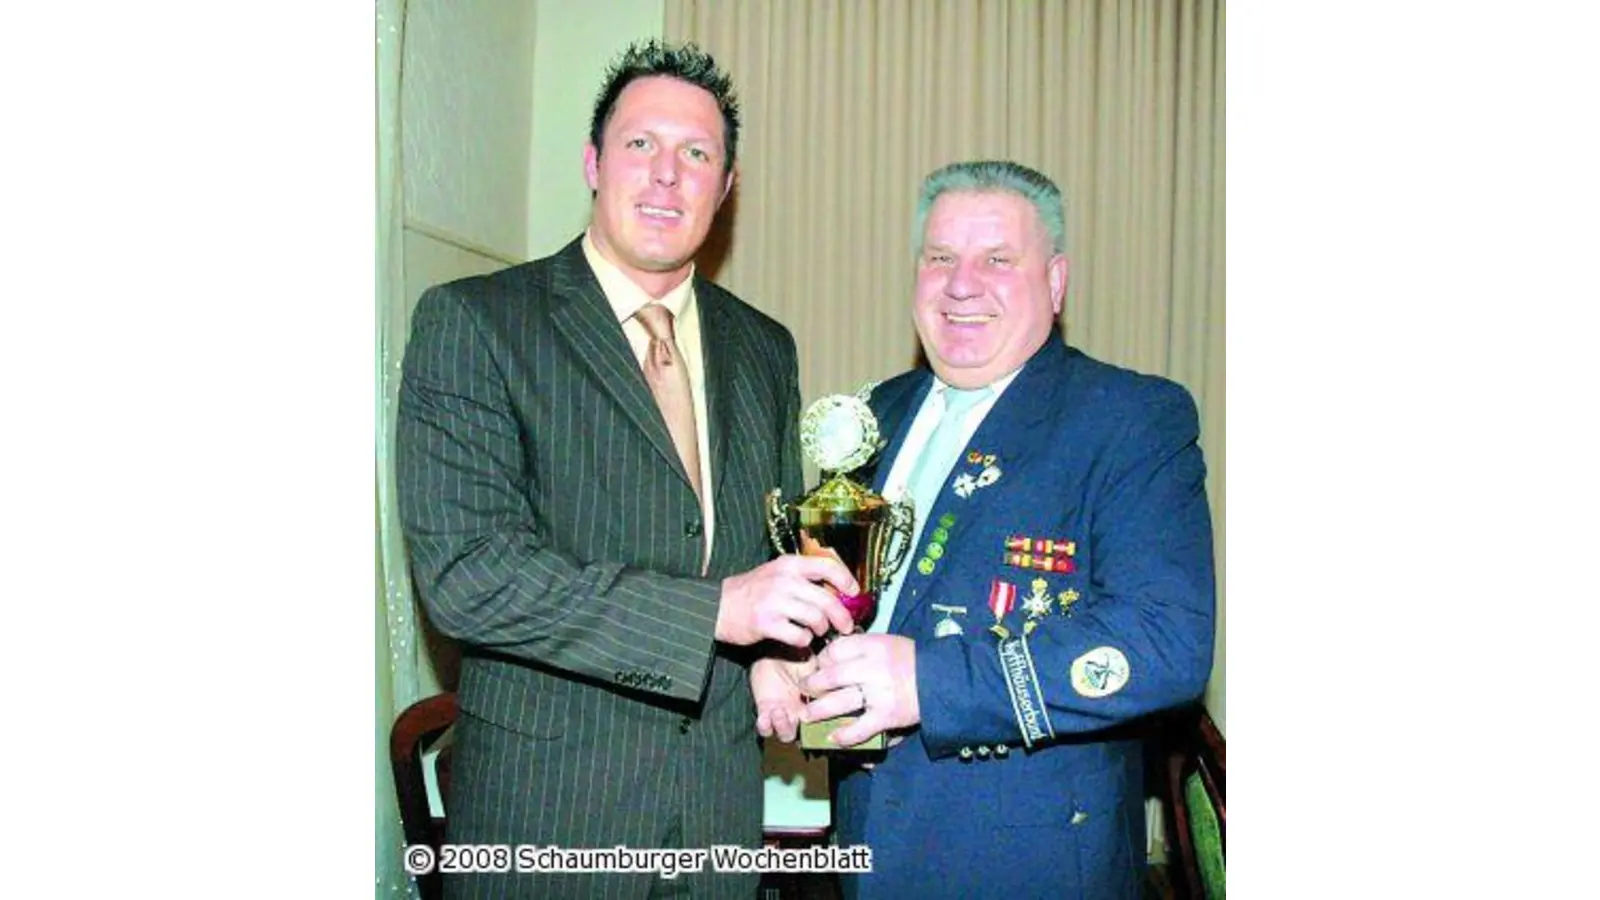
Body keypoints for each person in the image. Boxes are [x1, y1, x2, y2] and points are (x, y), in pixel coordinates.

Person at [397, 39, 859, 900]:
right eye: (640, 145)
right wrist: (718, 612)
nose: (666, 176)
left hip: (718, 819)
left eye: (697, 155)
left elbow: (751, 559)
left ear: (724, 190)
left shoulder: (765, 348)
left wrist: (766, 657)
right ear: (593, 163)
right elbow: (469, 578)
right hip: (549, 825)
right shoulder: (478, 323)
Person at [752, 160, 1217, 899]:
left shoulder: (1128, 418)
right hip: (867, 848)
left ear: (1055, 283)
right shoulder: (874, 415)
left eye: (998, 259)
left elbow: (1165, 644)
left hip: (1026, 865)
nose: (962, 283)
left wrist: (928, 683)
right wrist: (786, 658)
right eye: (940, 258)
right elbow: (851, 601)